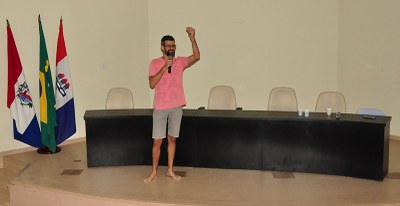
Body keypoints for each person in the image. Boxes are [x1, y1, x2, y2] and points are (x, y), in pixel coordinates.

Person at [144, 27, 200, 183]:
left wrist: (192, 38)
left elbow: (196, 56)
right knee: (157, 141)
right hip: (161, 107)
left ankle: (170, 170)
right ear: (162, 47)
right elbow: (151, 84)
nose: (171, 48)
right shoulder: (155, 63)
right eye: (168, 46)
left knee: (172, 139)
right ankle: (154, 172)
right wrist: (164, 66)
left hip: (176, 107)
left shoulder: (180, 62)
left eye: (173, 46)